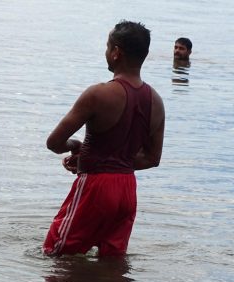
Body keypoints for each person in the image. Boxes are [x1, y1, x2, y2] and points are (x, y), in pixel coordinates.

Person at [43, 20, 165, 257]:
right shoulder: (156, 101)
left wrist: (76, 147)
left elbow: (54, 142)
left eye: (108, 47)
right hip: (127, 190)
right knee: (112, 261)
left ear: (116, 52)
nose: (106, 53)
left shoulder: (99, 94)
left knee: (54, 253)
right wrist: (102, 160)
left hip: (96, 187)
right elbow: (152, 158)